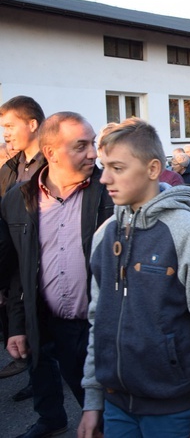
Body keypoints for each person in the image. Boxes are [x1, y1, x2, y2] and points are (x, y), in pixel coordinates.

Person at [78, 118, 190, 438]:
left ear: (152, 169)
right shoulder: (104, 235)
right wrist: (92, 399)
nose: (105, 178)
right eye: (104, 166)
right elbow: (100, 319)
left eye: (118, 167)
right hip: (115, 404)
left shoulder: (188, 234)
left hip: (172, 409)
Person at [2, 112, 113, 438]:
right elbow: (17, 270)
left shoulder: (111, 192)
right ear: (51, 152)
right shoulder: (17, 200)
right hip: (41, 315)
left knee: (97, 401)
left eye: (92, 143)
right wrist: (18, 325)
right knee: (41, 372)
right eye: (81, 145)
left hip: (91, 322)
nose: (93, 153)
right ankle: (51, 420)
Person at [0, 96, 46, 390]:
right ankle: (45, 402)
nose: (4, 133)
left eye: (9, 125)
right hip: (15, 263)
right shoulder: (11, 168)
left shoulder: (53, 165)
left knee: (51, 340)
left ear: (32, 124)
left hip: (42, 265)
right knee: (25, 333)